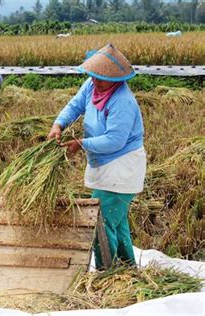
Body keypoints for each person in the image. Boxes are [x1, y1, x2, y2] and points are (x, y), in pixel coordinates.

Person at [48, 43, 146, 270]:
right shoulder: (93, 85)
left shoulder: (122, 101)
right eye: (92, 76)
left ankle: (107, 274)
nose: (94, 81)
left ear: (115, 80)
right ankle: (127, 269)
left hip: (121, 167)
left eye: (99, 79)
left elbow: (114, 140)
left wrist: (81, 144)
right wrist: (58, 124)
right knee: (116, 223)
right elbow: (75, 105)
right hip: (103, 163)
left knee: (100, 222)